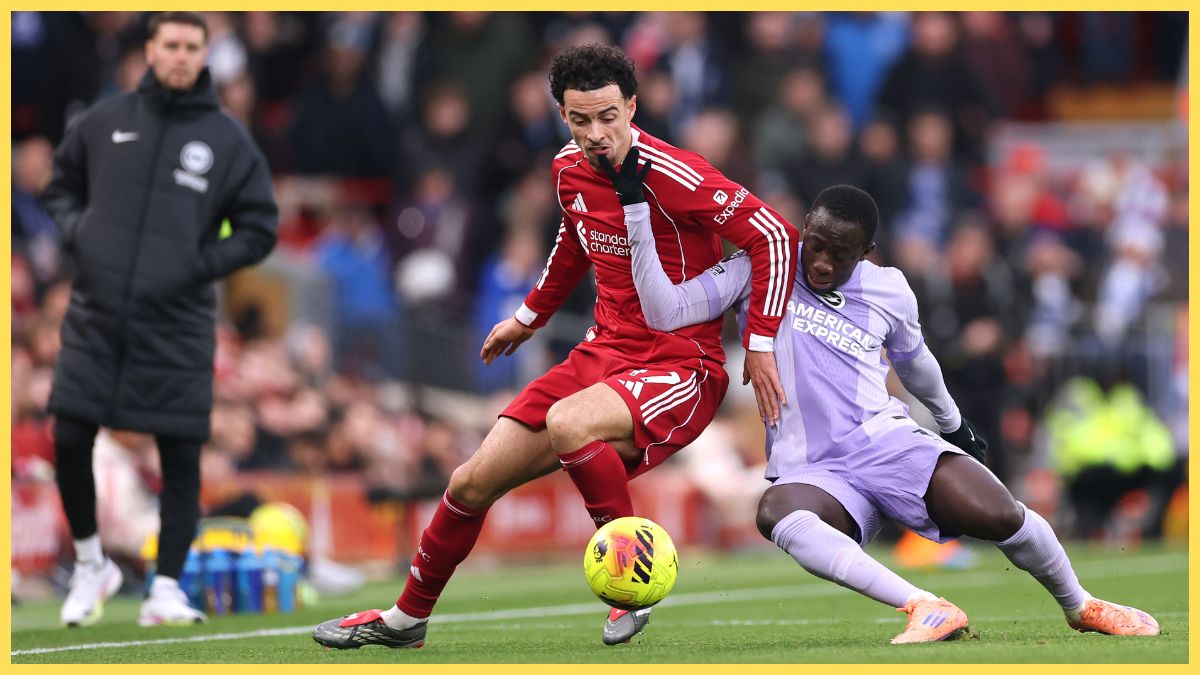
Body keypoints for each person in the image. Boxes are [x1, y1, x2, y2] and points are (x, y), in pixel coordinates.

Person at [313, 43, 798, 649]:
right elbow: (574, 242)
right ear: (562, 116)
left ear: (632, 107)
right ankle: (406, 620)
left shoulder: (677, 173)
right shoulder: (568, 168)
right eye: (579, 119)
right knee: (468, 482)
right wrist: (528, 316)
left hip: (681, 363)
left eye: (607, 117)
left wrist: (759, 342)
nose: (595, 133)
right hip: (601, 355)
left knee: (571, 424)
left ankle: (628, 587)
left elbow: (777, 235)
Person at [610, 175, 1160, 643]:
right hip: (814, 468)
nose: (821, 262)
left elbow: (916, 363)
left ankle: (1081, 606)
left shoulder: (889, 289)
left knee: (1000, 516)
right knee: (778, 513)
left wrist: (953, 423)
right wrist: (636, 210)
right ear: (805, 227)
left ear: (866, 253)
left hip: (887, 442)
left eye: (840, 253)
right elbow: (667, 310)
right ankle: (925, 604)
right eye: (816, 244)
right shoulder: (764, 265)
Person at [41, 11, 278, 627]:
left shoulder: (227, 140)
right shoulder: (105, 120)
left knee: (179, 452)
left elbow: (260, 226)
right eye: (169, 44)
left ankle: (166, 587)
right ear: (150, 49)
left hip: (177, 321)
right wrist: (81, 235)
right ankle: (93, 565)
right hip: (97, 314)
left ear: (204, 54)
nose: (178, 55)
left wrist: (200, 264)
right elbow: (58, 187)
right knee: (68, 433)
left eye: (190, 46)